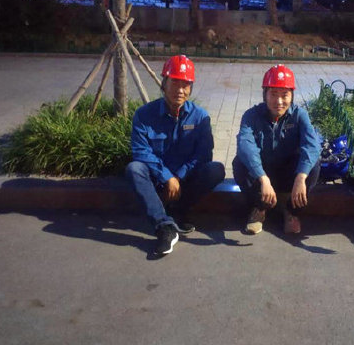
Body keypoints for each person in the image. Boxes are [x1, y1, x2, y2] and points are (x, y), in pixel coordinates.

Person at [125, 55, 225, 256]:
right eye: (175, 83)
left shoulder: (200, 116)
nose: (180, 90)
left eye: (185, 85)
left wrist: (178, 177)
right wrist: (167, 177)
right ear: (164, 84)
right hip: (157, 181)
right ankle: (165, 227)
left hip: (184, 182)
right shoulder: (144, 115)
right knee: (134, 168)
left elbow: (203, 154)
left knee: (216, 169)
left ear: (191, 88)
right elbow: (141, 151)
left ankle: (178, 210)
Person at [233, 64, 322, 235]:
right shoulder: (251, 116)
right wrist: (263, 178)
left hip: (288, 173)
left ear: (292, 96)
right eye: (273, 94)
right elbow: (245, 146)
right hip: (263, 173)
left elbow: (312, 145)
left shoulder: (299, 115)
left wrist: (301, 177)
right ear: (265, 94)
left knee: (314, 165)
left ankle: (291, 211)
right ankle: (259, 208)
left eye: (284, 95)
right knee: (239, 163)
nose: (279, 101)